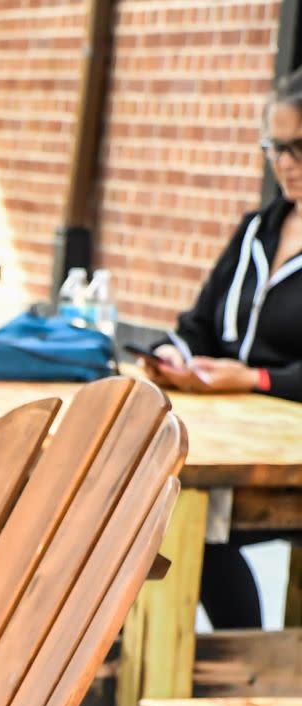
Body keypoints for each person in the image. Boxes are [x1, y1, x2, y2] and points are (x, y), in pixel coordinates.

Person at [143, 70, 302, 629]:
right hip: (225, 429)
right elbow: (201, 322)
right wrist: (175, 354)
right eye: (276, 147)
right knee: (138, 496)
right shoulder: (257, 229)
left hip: (285, 455)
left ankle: (224, 666)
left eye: (299, 147)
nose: (285, 162)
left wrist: (256, 380)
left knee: (176, 512)